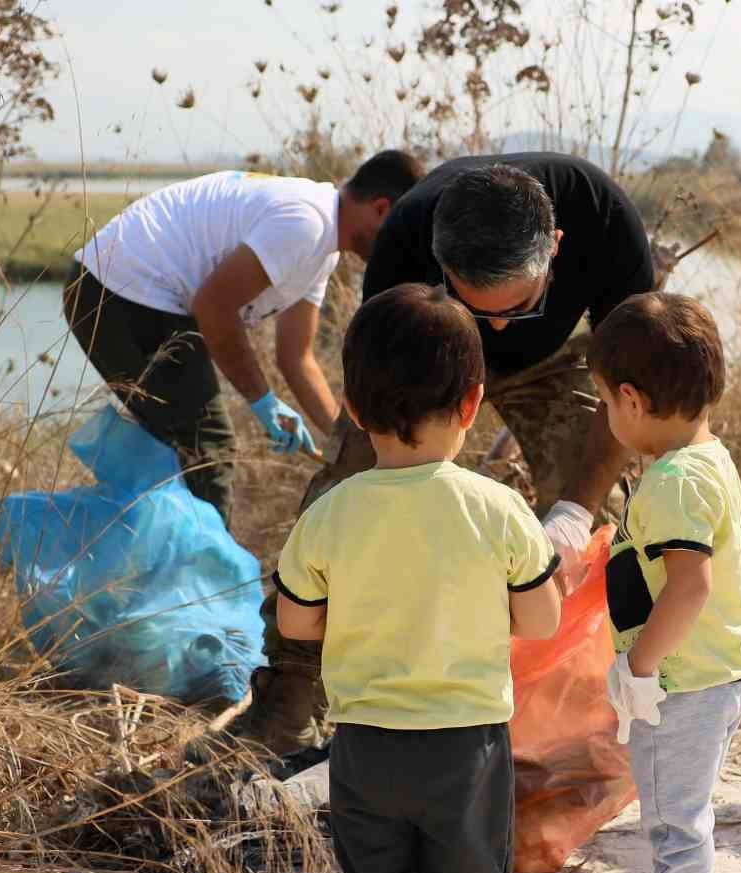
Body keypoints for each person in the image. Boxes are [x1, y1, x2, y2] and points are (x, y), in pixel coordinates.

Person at [234, 153, 655, 755]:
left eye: (518, 307)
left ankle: (587, 704)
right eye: (481, 311)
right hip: (432, 362)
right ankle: (291, 697)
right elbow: (384, 394)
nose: (501, 330)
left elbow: (629, 389)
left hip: (558, 361)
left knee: (604, 519)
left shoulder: (605, 222)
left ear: (556, 246)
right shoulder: (405, 240)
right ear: (440, 265)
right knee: (343, 498)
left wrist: (574, 510)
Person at [273, 283, 561, 873]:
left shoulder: (330, 513)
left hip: (365, 749)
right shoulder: (497, 507)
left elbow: (295, 623)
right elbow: (542, 620)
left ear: (356, 409)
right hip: (468, 751)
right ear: (474, 402)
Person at [62, 150, 424, 528]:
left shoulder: (322, 249)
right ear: (382, 210)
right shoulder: (306, 222)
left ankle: (143, 563)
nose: (395, 250)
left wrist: (350, 441)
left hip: (131, 293)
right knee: (208, 448)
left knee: (178, 447)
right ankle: (209, 579)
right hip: (118, 288)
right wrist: (263, 402)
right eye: (398, 236)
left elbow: (296, 358)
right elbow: (214, 307)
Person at [580, 292, 741, 873]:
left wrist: (641, 668)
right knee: (675, 802)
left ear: (631, 399)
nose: (608, 419)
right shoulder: (703, 459)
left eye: (604, 403)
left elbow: (689, 586)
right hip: (704, 676)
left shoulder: (674, 483)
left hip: (681, 683)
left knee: (674, 814)